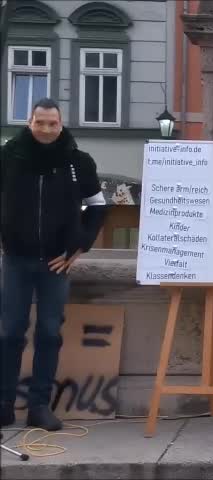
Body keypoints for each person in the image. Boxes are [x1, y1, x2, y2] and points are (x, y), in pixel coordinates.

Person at [1, 98, 107, 431]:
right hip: (16, 258)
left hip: (56, 262)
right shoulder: (7, 157)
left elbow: (98, 206)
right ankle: (4, 405)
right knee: (10, 332)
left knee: (49, 332)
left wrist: (80, 246)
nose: (46, 129)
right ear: (29, 123)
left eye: (53, 124)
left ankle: (39, 407)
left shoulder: (77, 161)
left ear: (61, 125)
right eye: (40, 123)